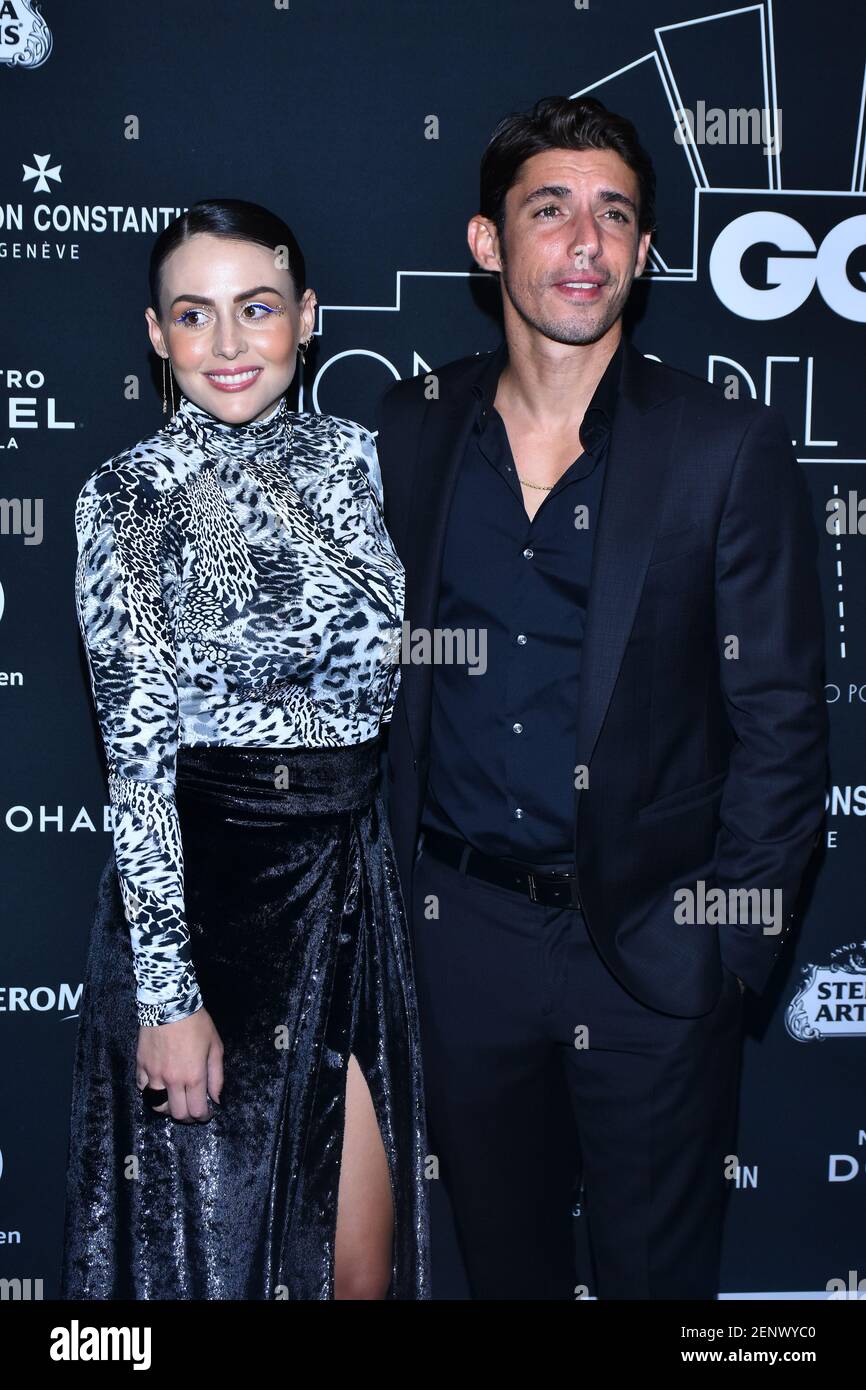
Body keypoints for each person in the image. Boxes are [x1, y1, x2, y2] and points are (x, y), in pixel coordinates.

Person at [374, 96, 828, 1299]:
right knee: (501, 1270)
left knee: (655, 1282)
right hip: (458, 940)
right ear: (487, 244)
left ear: (638, 252)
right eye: (550, 209)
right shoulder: (411, 432)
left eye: (613, 214)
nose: (584, 240)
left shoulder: (718, 445)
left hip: (649, 949)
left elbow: (782, 719)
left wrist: (728, 950)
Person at [61, 199, 429, 1300]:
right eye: (194, 315)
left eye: (255, 309)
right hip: (211, 899)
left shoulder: (372, 465)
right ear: (155, 334)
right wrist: (167, 995)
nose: (226, 346)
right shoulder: (126, 497)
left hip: (351, 892)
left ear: (306, 318)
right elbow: (135, 761)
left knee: (355, 1273)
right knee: (214, 1273)